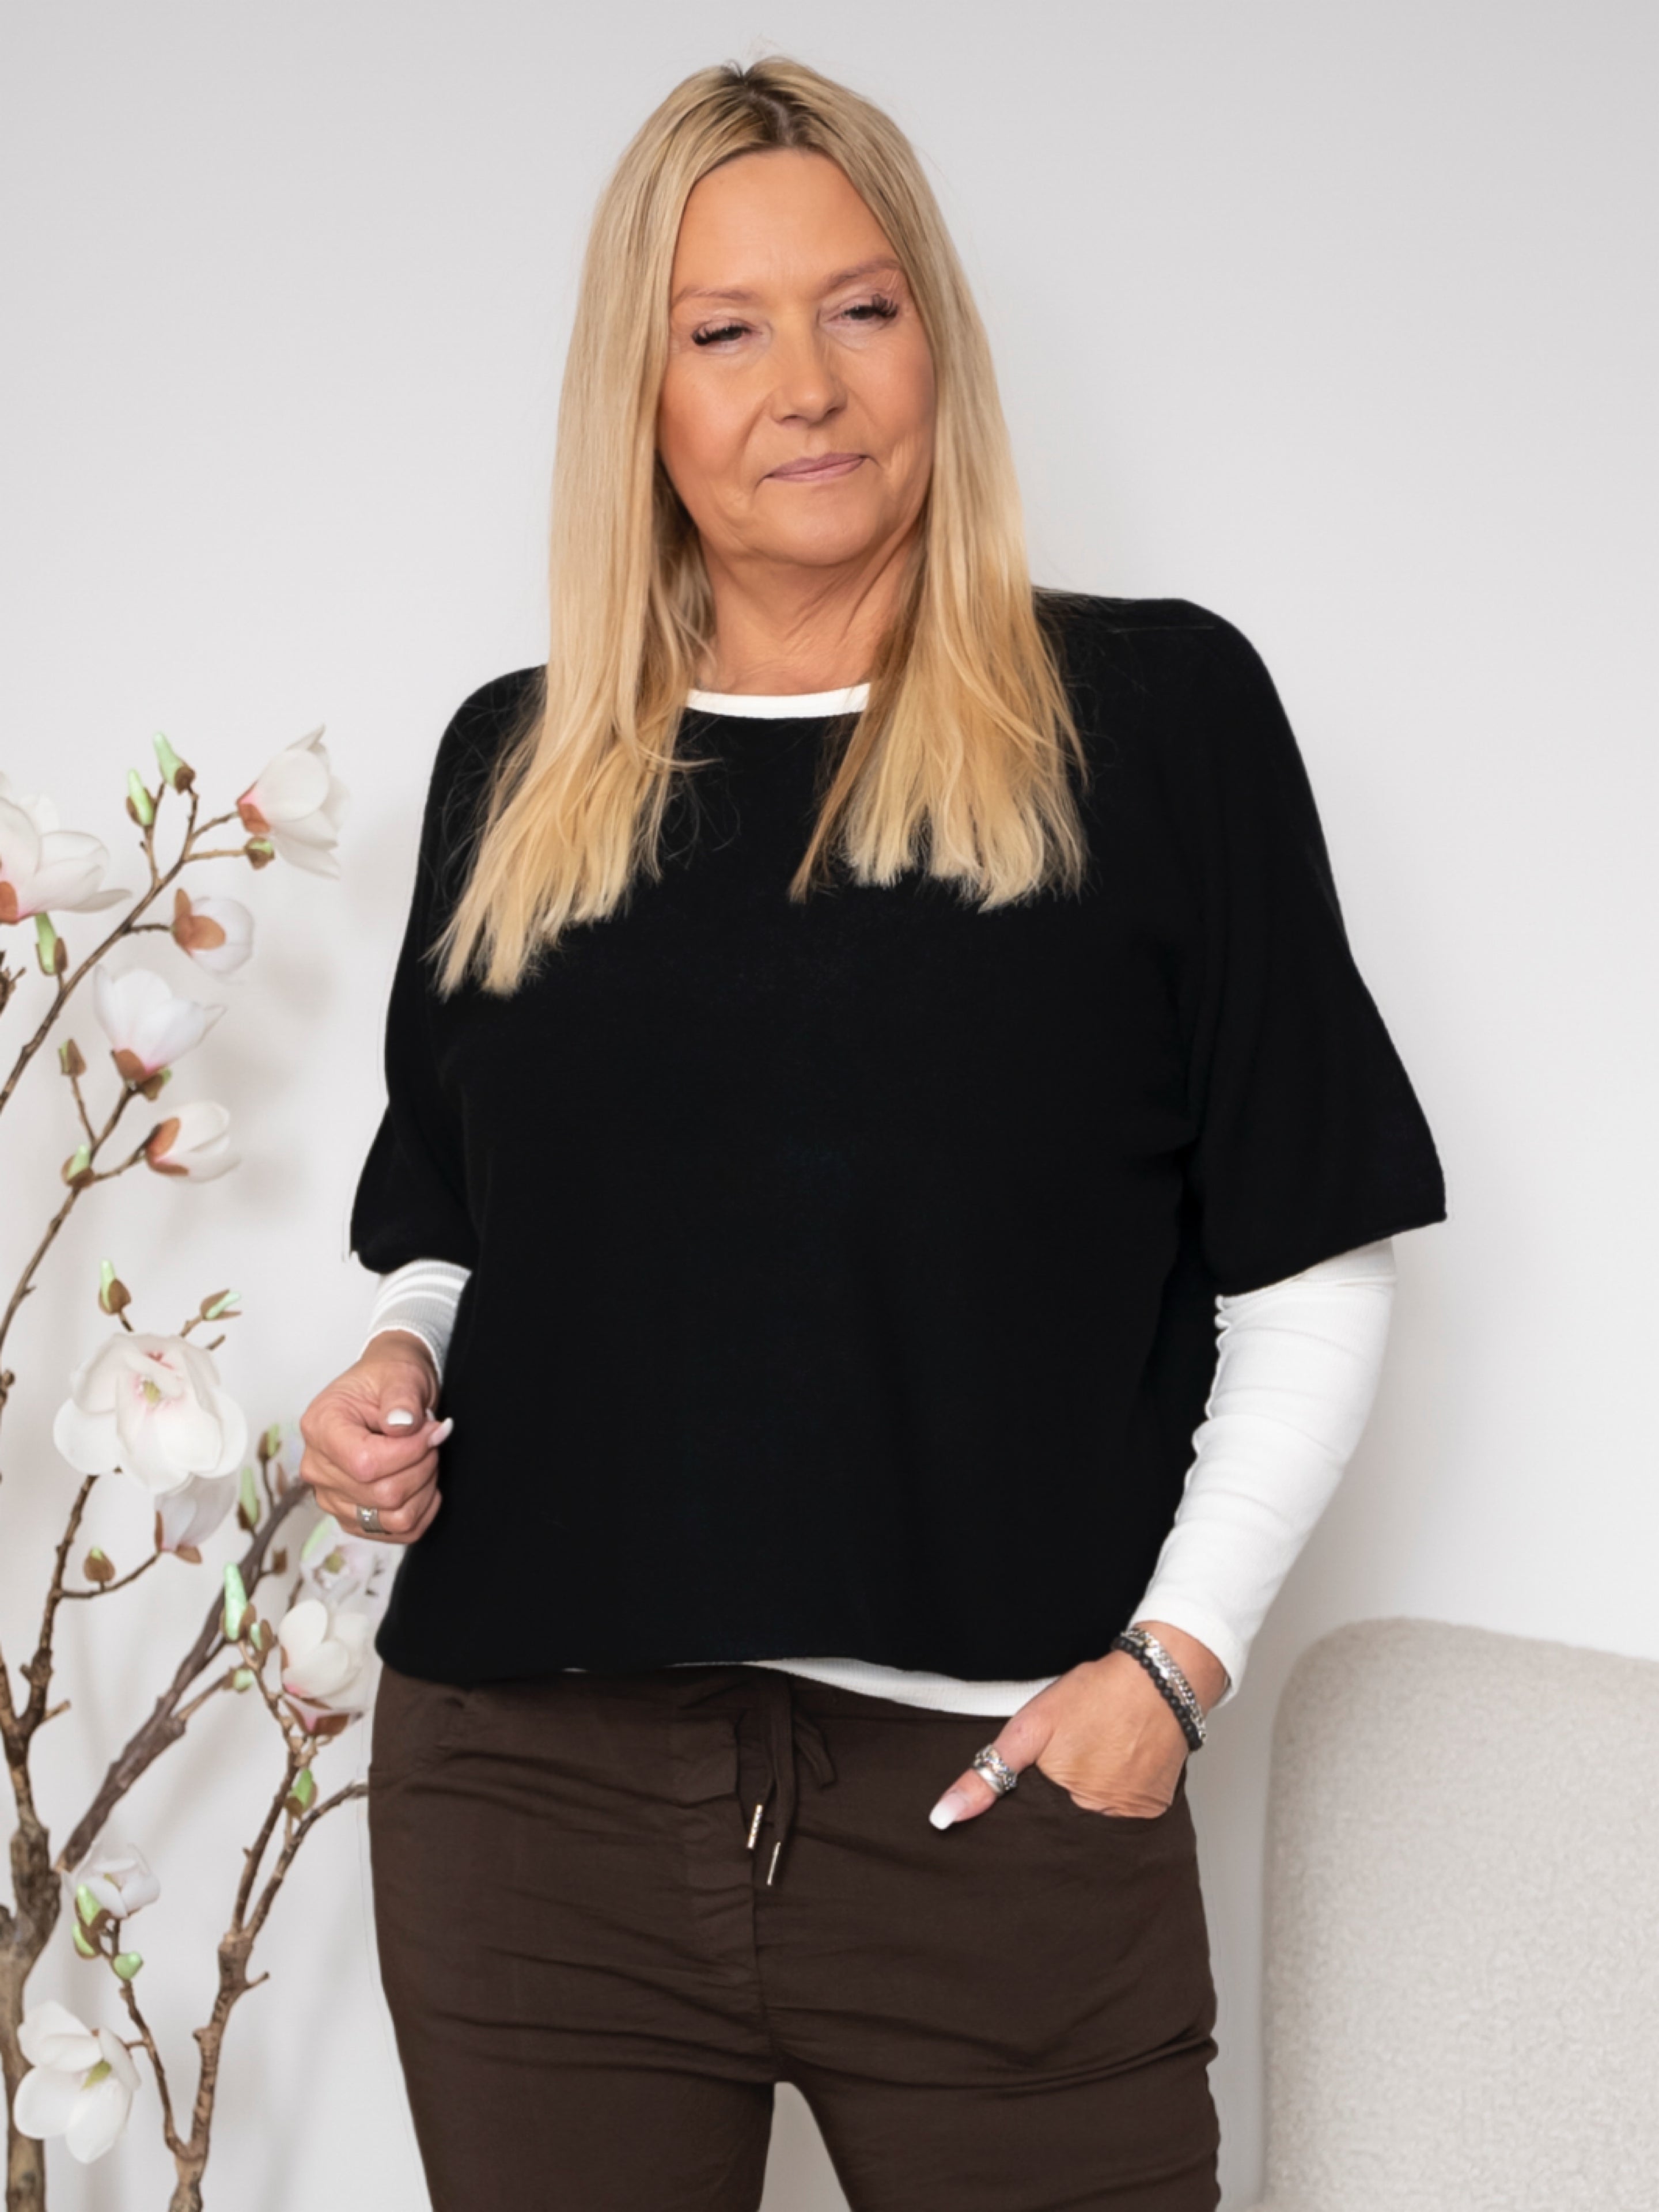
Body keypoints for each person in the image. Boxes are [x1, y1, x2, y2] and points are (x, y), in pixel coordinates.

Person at [298, 54, 1446, 2212]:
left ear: (938, 340)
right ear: (639, 396)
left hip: (997, 1813)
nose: (807, 387)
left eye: (862, 307)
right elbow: (454, 1231)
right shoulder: (518, 769)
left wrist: (1169, 1675)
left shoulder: (1155, 720)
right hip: (530, 1813)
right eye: (725, 331)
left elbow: (1308, 1261)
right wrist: (395, 1368)